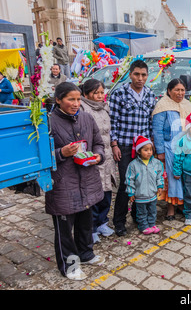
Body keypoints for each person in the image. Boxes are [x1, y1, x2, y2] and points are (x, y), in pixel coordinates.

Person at [45, 82, 106, 280]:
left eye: (79, 99)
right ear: (58, 100)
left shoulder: (87, 118)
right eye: (71, 99)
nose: (76, 103)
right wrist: (61, 153)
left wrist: (97, 156)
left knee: (85, 222)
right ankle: (69, 266)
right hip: (63, 183)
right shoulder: (48, 122)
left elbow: (98, 143)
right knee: (64, 229)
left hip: (86, 178)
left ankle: (86, 254)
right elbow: (41, 155)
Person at [109, 60, 156, 236]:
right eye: (137, 74)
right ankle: (119, 222)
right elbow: (112, 122)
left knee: (142, 182)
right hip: (125, 146)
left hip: (143, 148)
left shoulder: (150, 94)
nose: (140, 78)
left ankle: (138, 216)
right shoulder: (119, 93)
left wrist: (151, 146)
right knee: (126, 184)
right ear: (130, 74)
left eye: (143, 75)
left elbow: (150, 123)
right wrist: (114, 144)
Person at [152, 78, 191, 220]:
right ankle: (170, 208)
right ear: (169, 91)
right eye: (177, 90)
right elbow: (157, 131)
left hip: (186, 148)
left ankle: (182, 204)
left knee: (184, 177)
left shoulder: (187, 105)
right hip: (169, 149)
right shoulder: (162, 106)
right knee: (172, 179)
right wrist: (160, 152)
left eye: (182, 90)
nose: (180, 93)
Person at [80, 79, 116, 243]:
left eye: (102, 92)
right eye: (96, 93)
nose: (100, 96)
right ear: (86, 94)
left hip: (107, 155)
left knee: (107, 191)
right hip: (92, 155)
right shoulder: (82, 109)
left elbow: (110, 130)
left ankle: (102, 222)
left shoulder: (105, 108)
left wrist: (113, 145)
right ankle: (92, 227)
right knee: (93, 193)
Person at [125, 136, 164, 234]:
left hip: (152, 194)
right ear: (139, 151)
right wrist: (131, 193)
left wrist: (159, 186)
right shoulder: (133, 165)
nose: (149, 152)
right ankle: (143, 226)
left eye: (150, 149)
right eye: (146, 150)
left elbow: (159, 176)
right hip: (140, 195)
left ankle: (152, 224)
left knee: (152, 211)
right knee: (141, 212)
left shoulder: (156, 163)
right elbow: (129, 180)